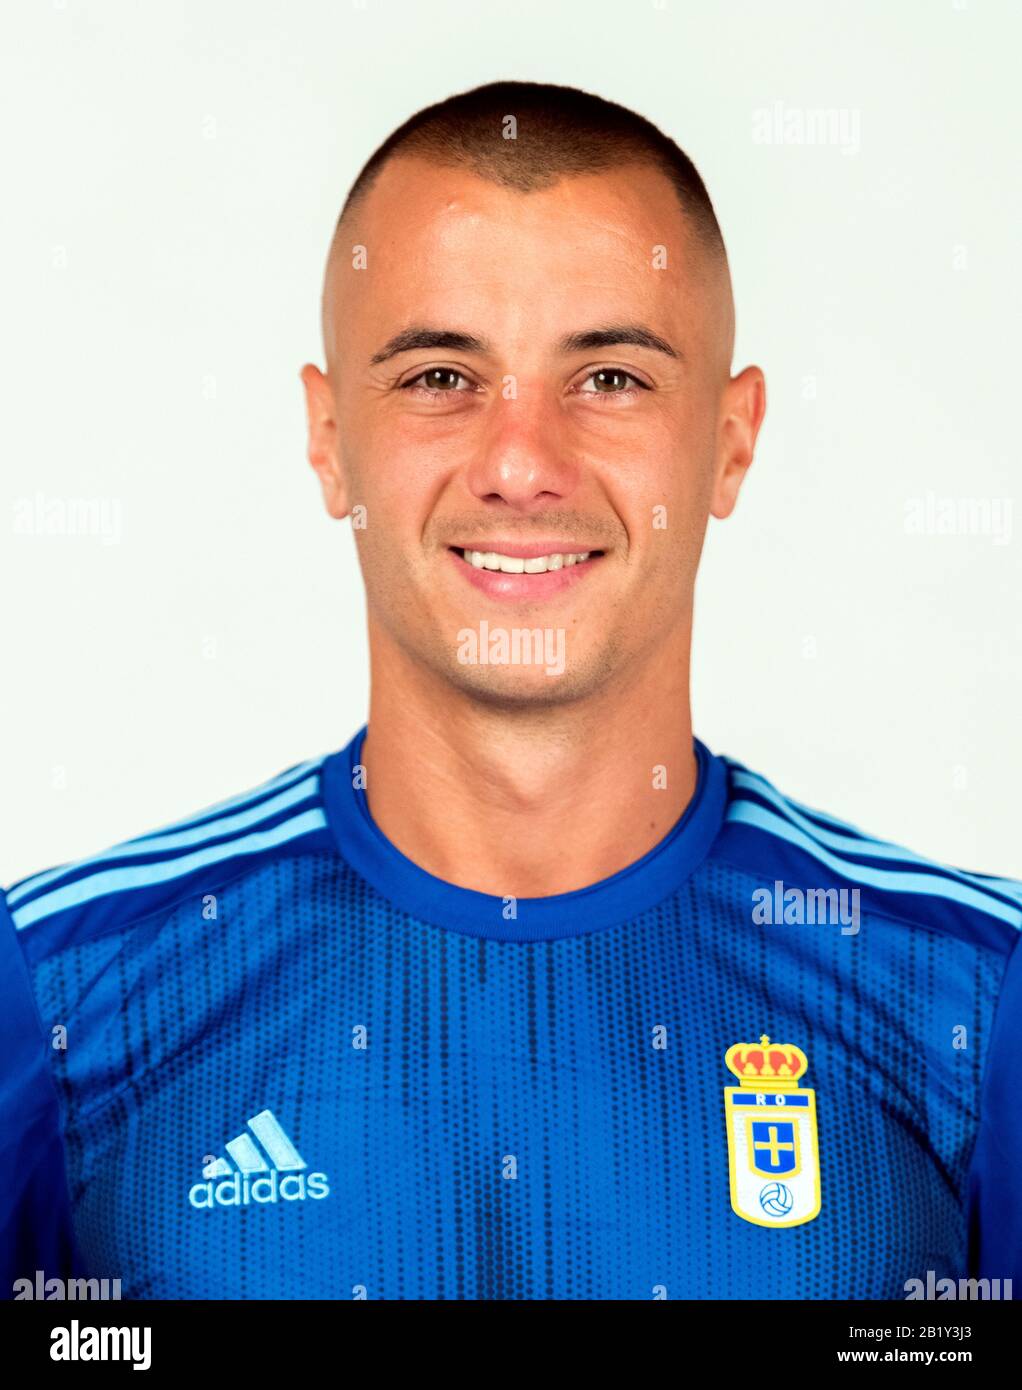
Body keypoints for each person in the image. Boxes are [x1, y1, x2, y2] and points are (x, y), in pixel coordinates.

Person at [3, 81, 1019, 1301]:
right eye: (440, 376)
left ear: (730, 439)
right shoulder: (60, 996)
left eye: (610, 378)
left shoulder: (972, 1003)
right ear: (328, 440)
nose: (522, 463)